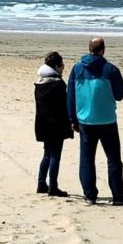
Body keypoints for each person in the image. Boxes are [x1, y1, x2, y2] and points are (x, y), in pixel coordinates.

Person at [67, 36, 123, 206]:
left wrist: (72, 118)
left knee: (87, 159)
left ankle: (90, 195)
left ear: (90, 49)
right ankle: (118, 195)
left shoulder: (77, 69)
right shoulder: (110, 69)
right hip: (106, 120)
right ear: (103, 50)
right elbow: (120, 95)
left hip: (86, 120)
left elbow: (71, 97)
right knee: (113, 159)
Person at [33, 51, 71, 197]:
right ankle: (53, 186)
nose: (63, 68)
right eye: (61, 65)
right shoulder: (58, 84)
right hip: (56, 124)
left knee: (47, 154)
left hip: (42, 123)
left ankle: (41, 183)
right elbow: (64, 105)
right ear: (56, 66)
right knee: (55, 155)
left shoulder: (39, 83)